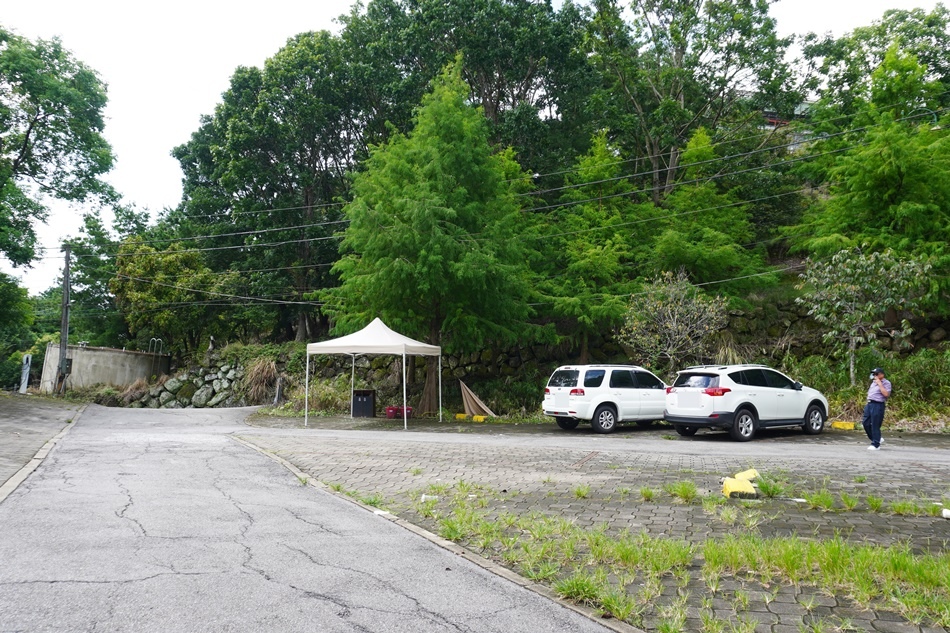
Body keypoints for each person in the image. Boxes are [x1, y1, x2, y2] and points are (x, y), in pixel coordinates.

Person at [861, 367, 891, 451]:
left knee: (875, 424)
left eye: (876, 374)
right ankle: (877, 438)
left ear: (882, 374)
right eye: (874, 374)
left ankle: (876, 444)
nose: (875, 375)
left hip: (878, 404)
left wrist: (880, 384)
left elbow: (886, 394)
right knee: (865, 423)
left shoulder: (886, 383)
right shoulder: (873, 382)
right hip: (870, 403)